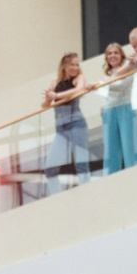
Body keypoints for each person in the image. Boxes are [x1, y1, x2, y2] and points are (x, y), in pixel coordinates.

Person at [42, 51, 95, 185]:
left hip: (76, 123)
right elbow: (45, 105)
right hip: (61, 128)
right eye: (72, 65)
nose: (75, 68)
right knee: (50, 168)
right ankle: (55, 195)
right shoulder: (55, 82)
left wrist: (57, 96)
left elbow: (79, 90)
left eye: (77, 65)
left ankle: (87, 191)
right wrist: (49, 97)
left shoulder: (79, 78)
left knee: (81, 163)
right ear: (64, 66)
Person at [99, 34, 137, 174]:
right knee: (111, 151)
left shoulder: (128, 66)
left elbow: (119, 84)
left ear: (121, 55)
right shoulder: (108, 75)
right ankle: (110, 181)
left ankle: (136, 177)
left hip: (126, 107)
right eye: (109, 53)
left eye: (115, 53)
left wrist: (99, 85)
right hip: (110, 111)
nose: (112, 56)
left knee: (130, 148)